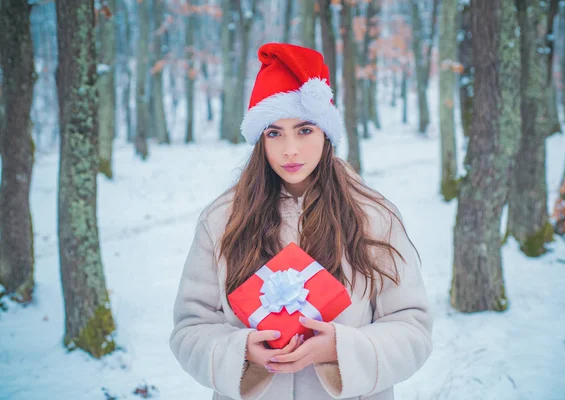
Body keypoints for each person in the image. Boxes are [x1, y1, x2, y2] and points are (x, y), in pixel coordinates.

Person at [169, 43, 433, 400]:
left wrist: (339, 351)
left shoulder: (374, 216)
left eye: (305, 130)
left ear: (326, 133)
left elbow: (412, 329)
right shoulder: (222, 220)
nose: (290, 149)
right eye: (274, 133)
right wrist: (242, 352)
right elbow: (191, 328)